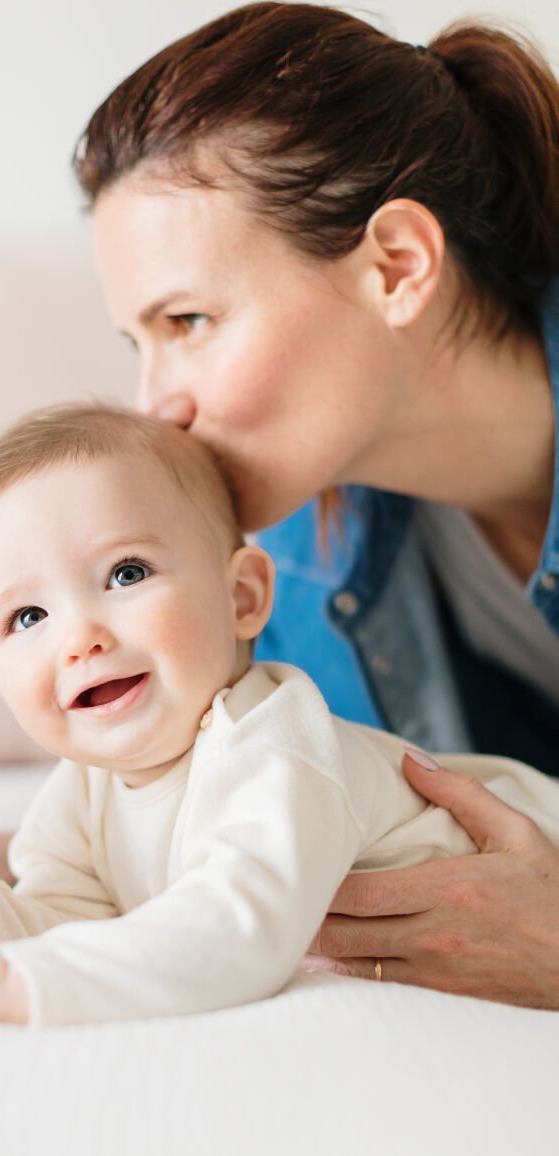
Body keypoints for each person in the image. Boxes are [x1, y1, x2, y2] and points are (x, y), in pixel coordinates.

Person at [71, 3, 559, 1007]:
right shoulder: (285, 559)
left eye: (188, 320)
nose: (153, 406)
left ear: (396, 266)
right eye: (139, 343)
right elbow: (199, 832)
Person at [0, 405, 559, 1025]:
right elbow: (68, 927)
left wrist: (9, 987)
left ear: (242, 597)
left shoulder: (274, 741)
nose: (78, 637)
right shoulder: (82, 792)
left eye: (126, 574)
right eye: (28, 616)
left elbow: (235, 932)